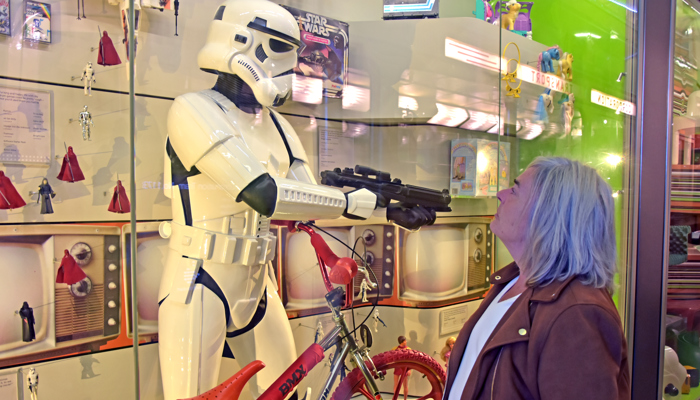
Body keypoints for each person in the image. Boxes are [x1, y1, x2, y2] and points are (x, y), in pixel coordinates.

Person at [443, 157, 629, 400]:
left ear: (548, 214)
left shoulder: (577, 314)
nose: (500, 193)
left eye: (516, 190)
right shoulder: (511, 282)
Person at [392, 336, 412, 400]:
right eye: (405, 341)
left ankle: (405, 399)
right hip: (397, 367)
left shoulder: (408, 349)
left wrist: (409, 369)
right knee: (396, 385)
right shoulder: (395, 349)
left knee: (405, 385)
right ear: (402, 341)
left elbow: (410, 360)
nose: (406, 342)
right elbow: (392, 358)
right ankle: (395, 398)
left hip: (404, 368)